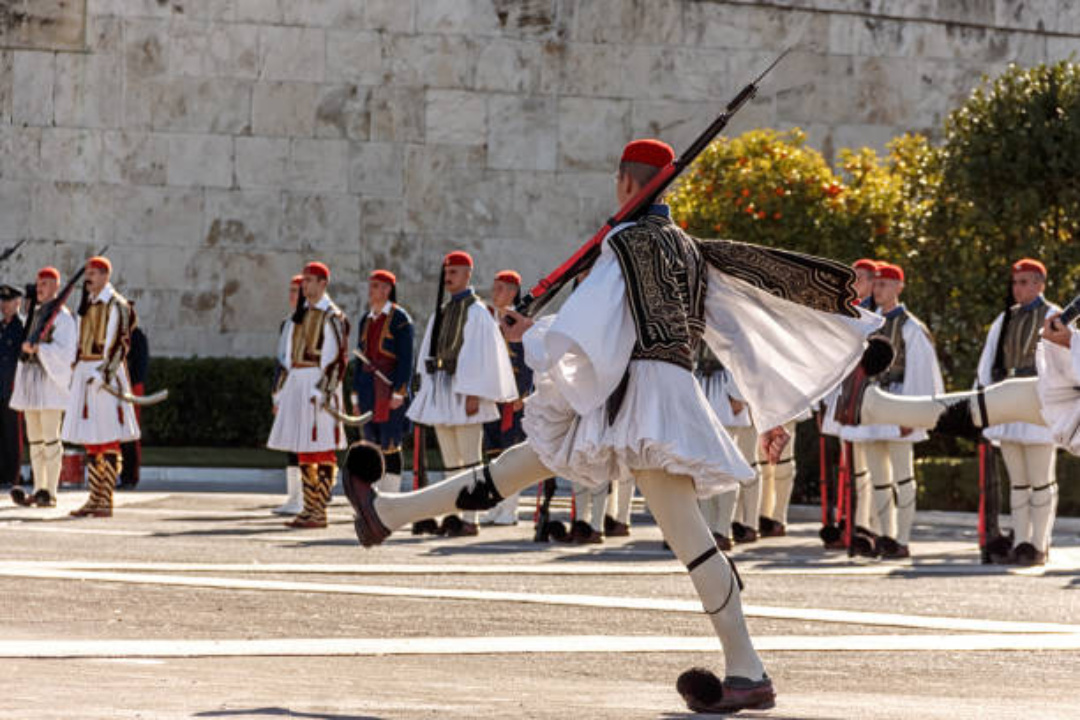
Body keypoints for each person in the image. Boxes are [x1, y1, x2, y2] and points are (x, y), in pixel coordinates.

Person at [345, 138, 881, 713]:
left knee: (694, 542)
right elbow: (711, 327)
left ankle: (747, 670)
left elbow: (591, 325)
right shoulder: (688, 249)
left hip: (638, 400)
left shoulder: (625, 242)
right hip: (651, 394)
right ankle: (386, 514)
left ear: (626, 182)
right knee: (516, 466)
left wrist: (531, 334)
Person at [406, 251, 517, 538]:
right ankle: (454, 513)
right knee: (450, 461)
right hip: (442, 390)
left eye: (454, 272)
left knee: (470, 460)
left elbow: (481, 356)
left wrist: (474, 393)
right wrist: (424, 387)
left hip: (465, 392)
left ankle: (471, 517)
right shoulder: (442, 311)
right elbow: (428, 351)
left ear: (468, 274)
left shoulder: (477, 312)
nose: (448, 277)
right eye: (446, 272)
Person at [839, 263, 943, 559]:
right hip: (874, 403)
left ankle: (902, 538)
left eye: (885, 284)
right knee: (879, 478)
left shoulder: (911, 327)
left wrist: (913, 413)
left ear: (899, 287)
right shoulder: (868, 323)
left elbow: (921, 372)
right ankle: (885, 535)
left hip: (899, 401)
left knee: (903, 476)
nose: (878, 289)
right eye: (876, 283)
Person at [974, 258, 1060, 565]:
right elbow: (987, 363)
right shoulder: (1005, 318)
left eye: (1024, 282)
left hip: (1039, 400)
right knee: (1019, 482)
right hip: (1009, 401)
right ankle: (1022, 542)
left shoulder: (1053, 316)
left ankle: (1039, 544)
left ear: (1039, 284)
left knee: (1041, 480)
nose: (1017, 288)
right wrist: (982, 405)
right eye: (1015, 282)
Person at [266, 262, 350, 529]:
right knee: (303, 446)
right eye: (304, 281)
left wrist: (322, 391)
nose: (305, 285)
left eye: (310, 280)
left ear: (323, 283)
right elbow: (286, 358)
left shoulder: (332, 316)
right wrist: (280, 393)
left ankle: (319, 510)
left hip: (317, 384)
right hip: (298, 383)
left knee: (321, 446)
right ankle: (309, 507)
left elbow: (336, 359)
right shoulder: (299, 315)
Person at [61, 257, 140, 518]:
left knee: (107, 437)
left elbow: (120, 344)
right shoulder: (88, 302)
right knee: (90, 438)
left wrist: (104, 374)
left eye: (93, 273)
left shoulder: (117, 304)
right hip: (85, 372)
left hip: (103, 374)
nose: (89, 278)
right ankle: (95, 497)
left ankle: (106, 498)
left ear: (106, 275)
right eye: (87, 273)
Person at [10, 268, 76, 507]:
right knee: (35, 439)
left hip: (50, 384)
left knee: (50, 438)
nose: (40, 288)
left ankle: (51, 491)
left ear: (56, 287)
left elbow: (66, 352)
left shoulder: (63, 318)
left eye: (45, 284)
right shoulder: (36, 313)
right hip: (32, 381)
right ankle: (39, 488)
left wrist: (40, 349)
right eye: (39, 284)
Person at [351, 269, 414, 495]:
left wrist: (399, 392)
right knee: (371, 443)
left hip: (389, 389)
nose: (371, 290)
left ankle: (391, 495)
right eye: (371, 285)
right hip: (368, 388)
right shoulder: (365, 319)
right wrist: (355, 395)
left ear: (388, 289)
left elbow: (406, 359)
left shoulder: (400, 319)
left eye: (377, 286)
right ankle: (373, 495)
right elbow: (360, 358)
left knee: (390, 443)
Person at [480, 269, 533, 527]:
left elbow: (528, 361)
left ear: (513, 291)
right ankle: (495, 505)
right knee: (492, 453)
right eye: (495, 287)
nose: (495, 293)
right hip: (491, 396)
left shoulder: (520, 321)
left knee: (510, 454)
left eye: (501, 288)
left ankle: (510, 509)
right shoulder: (488, 319)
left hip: (512, 398)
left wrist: (522, 394)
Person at [695, 345, 753, 550]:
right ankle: (709, 529)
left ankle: (722, 530)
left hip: (723, 391)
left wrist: (735, 396)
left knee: (726, 469)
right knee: (703, 470)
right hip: (703, 389)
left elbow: (740, 352)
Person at [271, 275, 304, 515]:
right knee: (291, 444)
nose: (292, 295)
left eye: (296, 290)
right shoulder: (287, 323)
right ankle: (293, 497)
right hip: (288, 389)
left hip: (304, 389)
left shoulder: (312, 321)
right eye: (291, 290)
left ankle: (307, 497)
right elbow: (281, 362)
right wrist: (277, 395)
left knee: (305, 444)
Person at [0, 284, 25, 489]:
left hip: (13, 387)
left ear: (18, 303)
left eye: (8, 301)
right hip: (0, 387)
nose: (4, 305)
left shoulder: (22, 328)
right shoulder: (1, 327)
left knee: (12, 433)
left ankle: (13, 475)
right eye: (2, 301)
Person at [118, 326, 148, 489]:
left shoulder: (136, 336)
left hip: (132, 387)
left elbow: (138, 366)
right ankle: (121, 473)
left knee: (130, 431)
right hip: (120, 386)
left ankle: (130, 475)